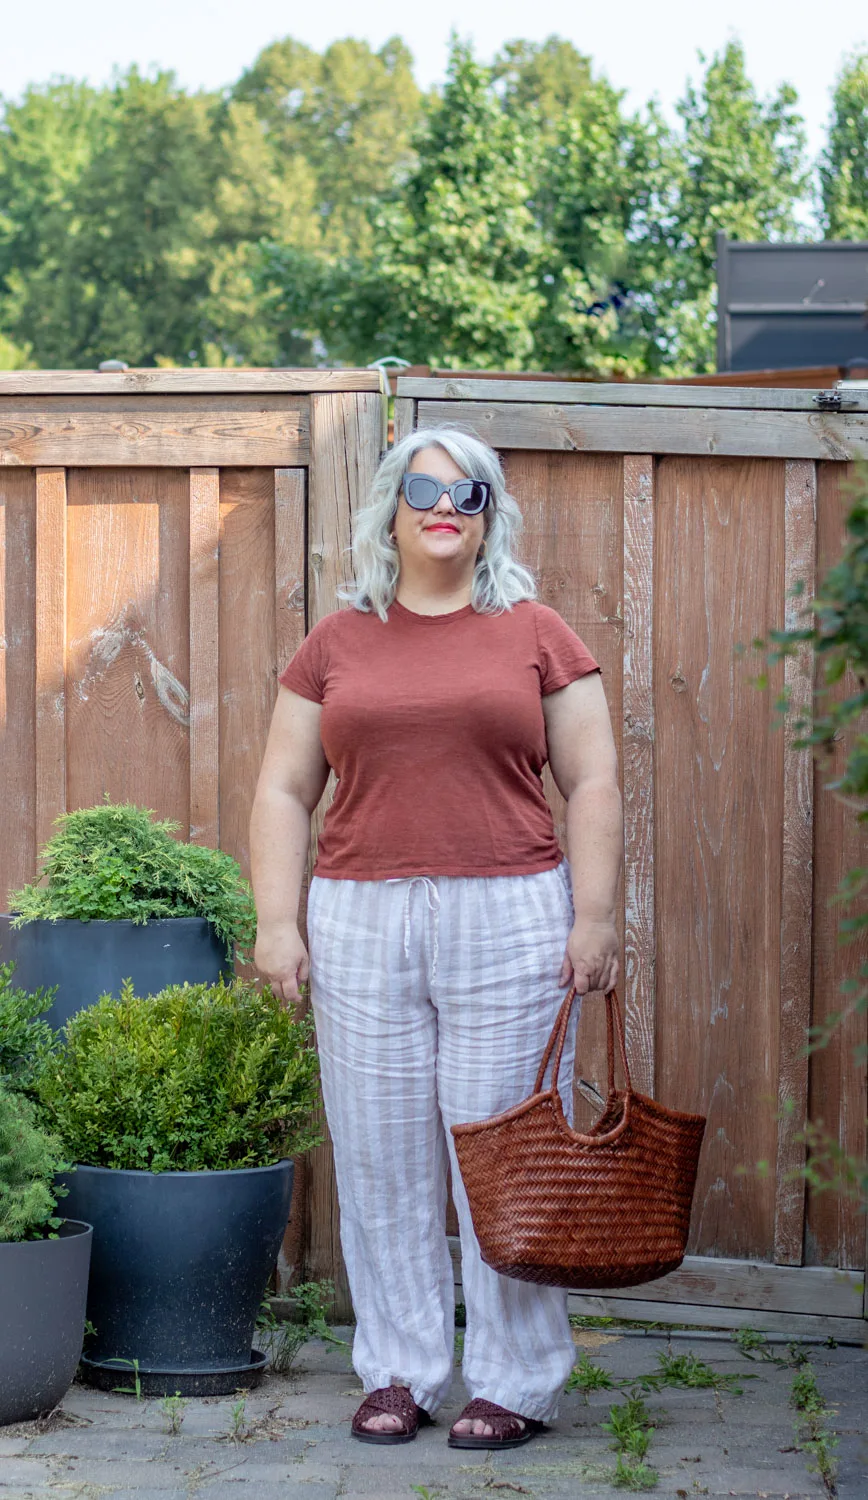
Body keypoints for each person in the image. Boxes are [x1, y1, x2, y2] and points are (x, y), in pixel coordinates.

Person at [250, 426, 622, 1450]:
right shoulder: (337, 641)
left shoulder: (534, 631)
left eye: (467, 492)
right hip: (361, 916)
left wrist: (595, 917)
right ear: (392, 506)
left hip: (509, 913)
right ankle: (401, 1371)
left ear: (489, 512)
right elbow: (284, 790)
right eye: (423, 488)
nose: (443, 505)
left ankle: (514, 1381)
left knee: (504, 1155)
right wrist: (276, 924)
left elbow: (590, 781)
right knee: (379, 1158)